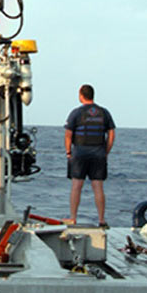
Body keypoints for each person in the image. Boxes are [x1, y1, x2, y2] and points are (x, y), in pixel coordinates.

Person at [64, 84, 115, 227]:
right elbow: (111, 133)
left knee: (76, 186)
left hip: (79, 153)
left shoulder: (76, 113)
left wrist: (68, 152)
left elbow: (68, 134)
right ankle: (101, 220)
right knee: (98, 186)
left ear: (81, 95)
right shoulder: (104, 112)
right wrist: (106, 151)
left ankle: (73, 218)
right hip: (99, 153)